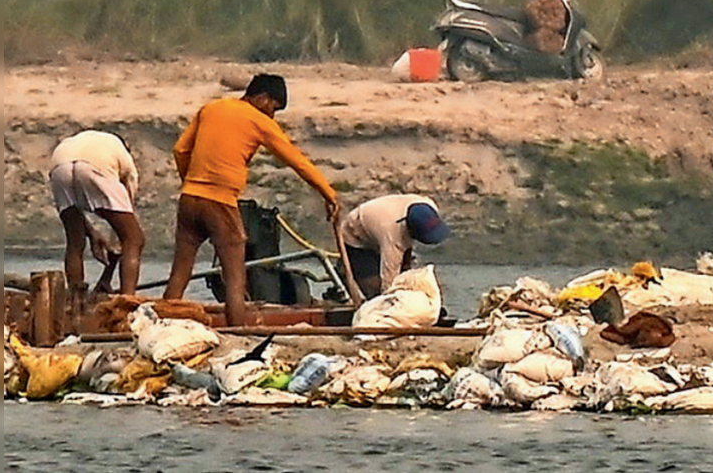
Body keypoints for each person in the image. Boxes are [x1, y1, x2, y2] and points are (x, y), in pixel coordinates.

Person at [162, 74, 340, 326]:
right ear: (261, 97)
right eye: (273, 108)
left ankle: (161, 325)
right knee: (235, 276)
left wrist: (190, 181)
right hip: (221, 202)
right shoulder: (258, 121)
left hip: (189, 199)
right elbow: (296, 161)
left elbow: (180, 149)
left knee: (179, 272)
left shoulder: (211, 108)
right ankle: (238, 333)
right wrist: (329, 193)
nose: (272, 116)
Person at [49, 130, 145, 295]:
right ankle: (127, 301)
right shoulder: (124, 159)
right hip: (96, 164)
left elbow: (75, 211)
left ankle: (75, 300)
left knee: (75, 241)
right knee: (135, 238)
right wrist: (109, 271)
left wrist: (92, 234)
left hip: (59, 166)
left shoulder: (87, 140)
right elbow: (124, 233)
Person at [340, 194, 451, 299]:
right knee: (373, 288)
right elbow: (388, 281)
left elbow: (406, 248)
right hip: (356, 236)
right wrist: (390, 301)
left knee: (406, 276)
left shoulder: (428, 206)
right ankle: (343, 271)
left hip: (381, 225)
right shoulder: (392, 235)